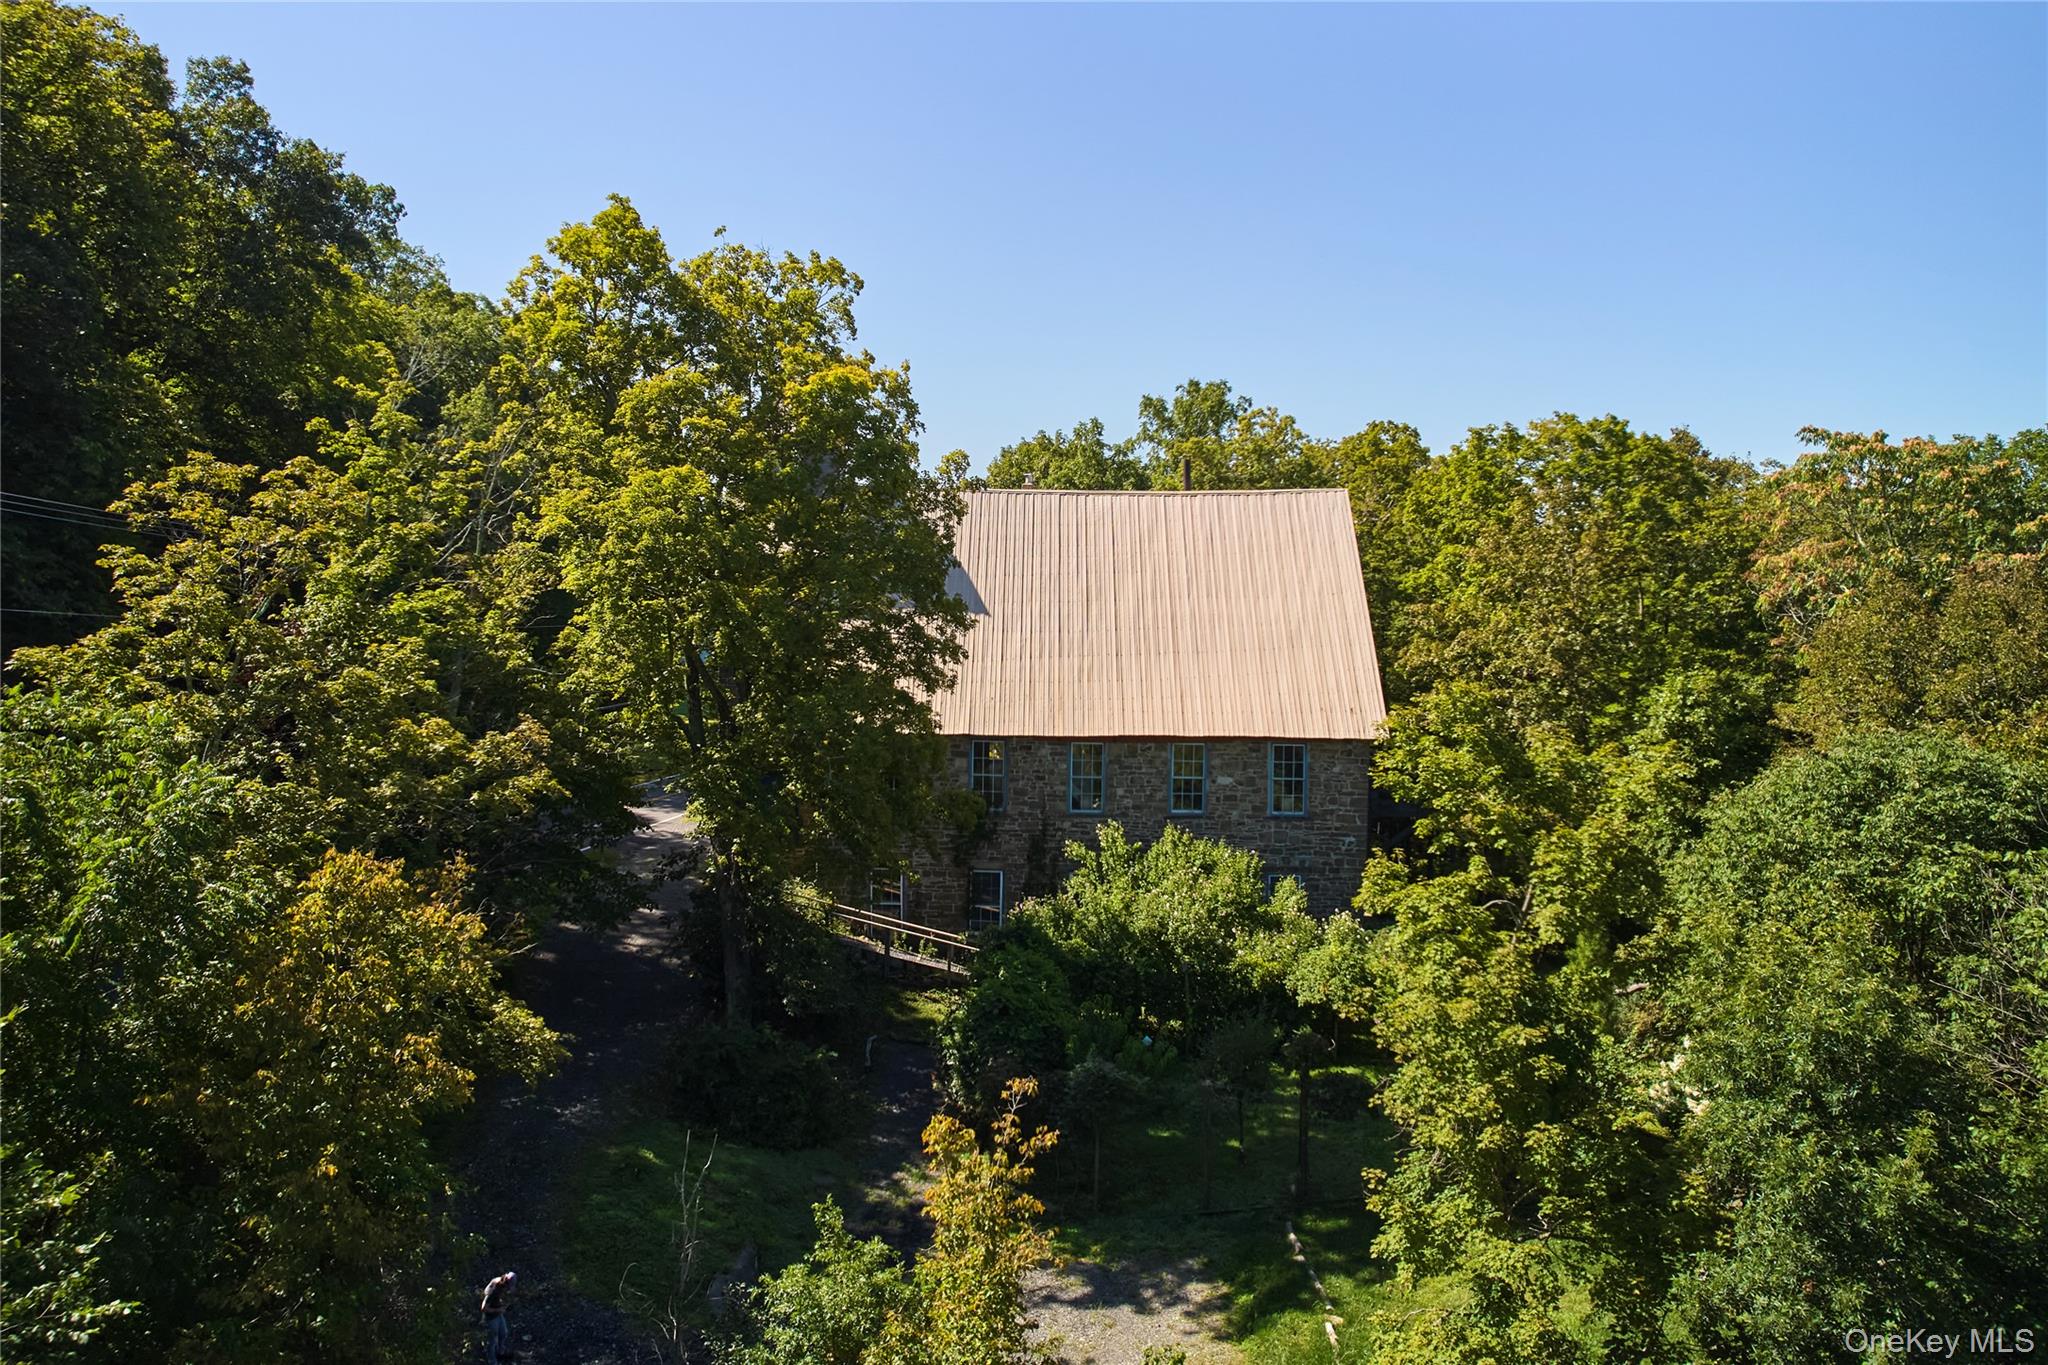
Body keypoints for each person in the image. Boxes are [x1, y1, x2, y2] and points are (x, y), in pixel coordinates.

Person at [480, 1270, 516, 1362]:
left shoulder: (502, 1284)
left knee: (503, 1333)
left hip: (498, 1313)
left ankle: (501, 1352)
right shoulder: (494, 1290)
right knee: (491, 1341)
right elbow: (483, 1308)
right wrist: (498, 1310)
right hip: (491, 1317)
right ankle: (492, 1361)